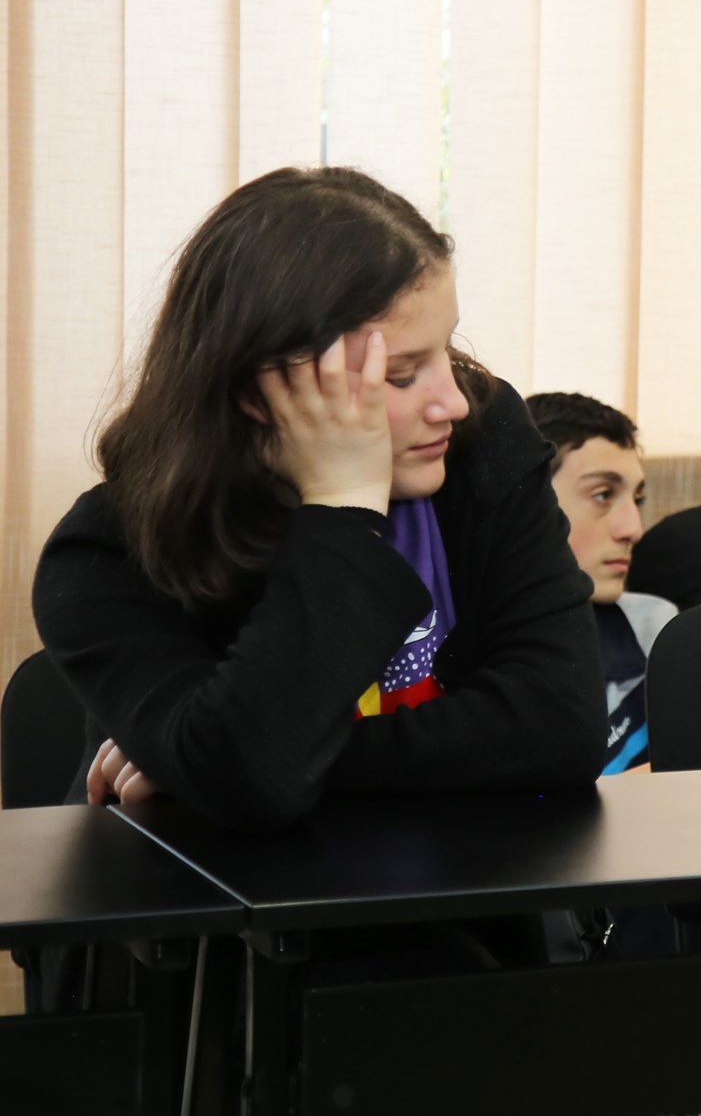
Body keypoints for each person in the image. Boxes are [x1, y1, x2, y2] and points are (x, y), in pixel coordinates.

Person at [32, 166, 608, 833]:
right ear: (259, 395)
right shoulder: (104, 552)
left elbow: (561, 722)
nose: (452, 400)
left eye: (445, 352)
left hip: (458, 889)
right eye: (400, 375)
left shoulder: (481, 441)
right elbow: (252, 773)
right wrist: (343, 505)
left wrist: (217, 768)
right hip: (209, 898)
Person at [525, 391, 678, 775]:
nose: (633, 529)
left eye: (636, 499)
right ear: (523, 499)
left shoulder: (654, 627)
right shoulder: (442, 651)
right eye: (603, 495)